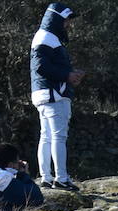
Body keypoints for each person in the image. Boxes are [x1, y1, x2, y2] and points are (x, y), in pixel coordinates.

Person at [31, 3, 85, 192]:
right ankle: (61, 179)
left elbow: (42, 66)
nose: (68, 25)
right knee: (58, 137)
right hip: (54, 96)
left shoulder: (44, 37)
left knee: (46, 137)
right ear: (56, 20)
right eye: (66, 21)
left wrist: (70, 74)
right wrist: (68, 76)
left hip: (43, 94)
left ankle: (46, 178)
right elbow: (41, 67)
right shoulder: (47, 37)